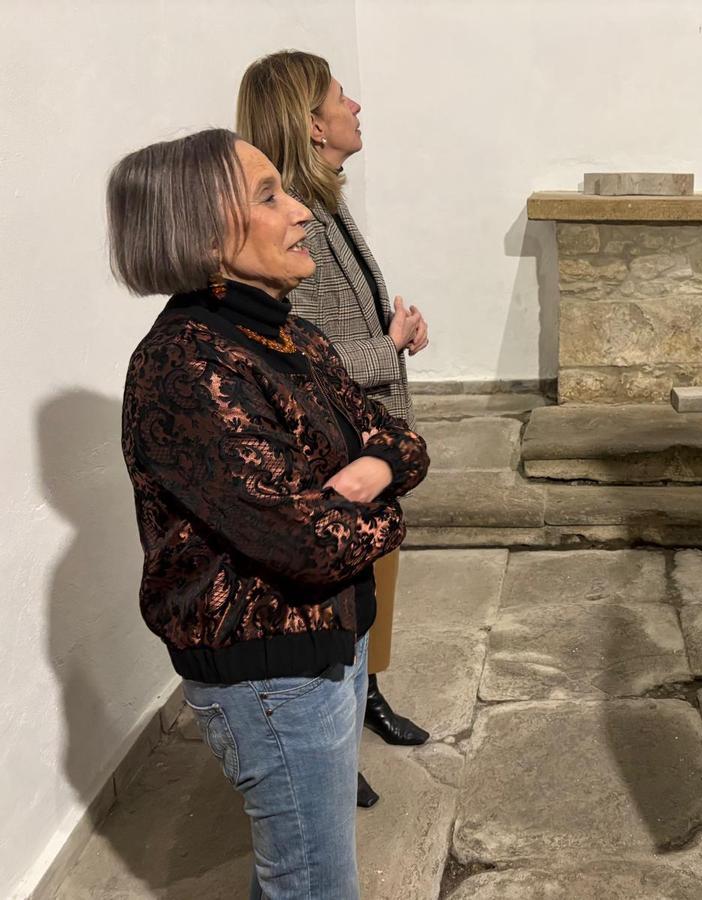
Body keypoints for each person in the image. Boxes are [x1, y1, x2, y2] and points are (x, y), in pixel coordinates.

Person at [111, 128, 429, 897]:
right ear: (202, 231)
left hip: (332, 640)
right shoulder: (187, 364)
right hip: (272, 674)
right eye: (268, 196)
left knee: (306, 873)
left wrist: (372, 473)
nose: (302, 213)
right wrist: (381, 509)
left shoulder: (291, 333)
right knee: (315, 884)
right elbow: (310, 542)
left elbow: (405, 442)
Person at [236, 51, 430, 807]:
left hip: (368, 435)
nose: (358, 106)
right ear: (314, 124)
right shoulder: (289, 229)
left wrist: (393, 330)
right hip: (336, 451)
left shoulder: (328, 202)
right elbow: (292, 358)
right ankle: (330, 740)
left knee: (374, 583)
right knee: (336, 597)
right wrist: (388, 345)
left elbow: (328, 330)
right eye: (343, 97)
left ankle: (366, 693)